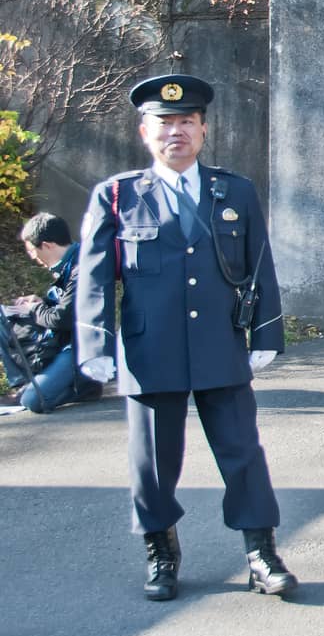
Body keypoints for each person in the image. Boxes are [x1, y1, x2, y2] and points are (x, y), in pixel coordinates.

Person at [76, 73, 298, 601]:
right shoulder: (116, 195)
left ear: (202, 130)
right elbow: (94, 275)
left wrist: (267, 331)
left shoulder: (234, 191)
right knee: (153, 462)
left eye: (186, 122)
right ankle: (161, 552)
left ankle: (261, 553)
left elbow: (259, 263)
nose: (176, 132)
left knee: (243, 452)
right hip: (150, 350)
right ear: (144, 132)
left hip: (220, 344)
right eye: (164, 123)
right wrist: (93, 344)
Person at [1, 212, 104, 413]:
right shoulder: (68, 263)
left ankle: (85, 387)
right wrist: (42, 302)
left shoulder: (82, 268)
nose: (32, 256)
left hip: (80, 346)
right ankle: (22, 384)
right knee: (3, 315)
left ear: (47, 245)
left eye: (32, 250)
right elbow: (63, 306)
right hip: (63, 338)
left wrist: (34, 308)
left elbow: (61, 318)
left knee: (33, 401)